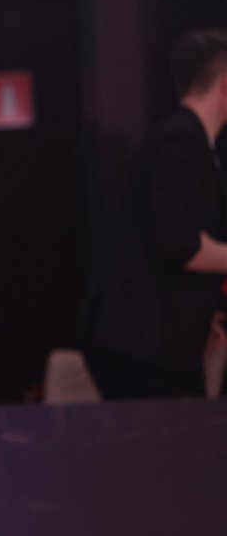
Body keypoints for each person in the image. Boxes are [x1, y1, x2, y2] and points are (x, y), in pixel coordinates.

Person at [85, 27, 227, 398]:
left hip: (157, 339)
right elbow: (179, 243)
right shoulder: (181, 140)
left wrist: (201, 313)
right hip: (141, 344)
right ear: (224, 85)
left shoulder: (189, 140)